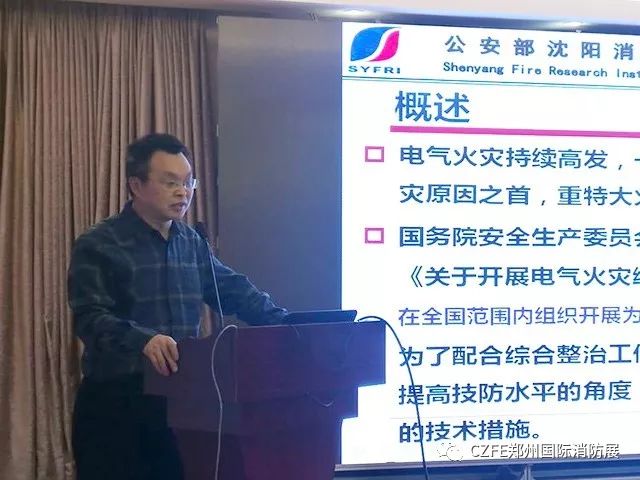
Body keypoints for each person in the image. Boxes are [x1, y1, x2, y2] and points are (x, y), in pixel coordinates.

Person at [67, 133, 287, 480]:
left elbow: (233, 290)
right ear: (136, 185)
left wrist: (285, 323)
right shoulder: (99, 243)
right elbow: (90, 317)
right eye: (170, 183)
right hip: (117, 403)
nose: (183, 192)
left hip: (180, 404)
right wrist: (144, 340)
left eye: (188, 182)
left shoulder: (191, 242)